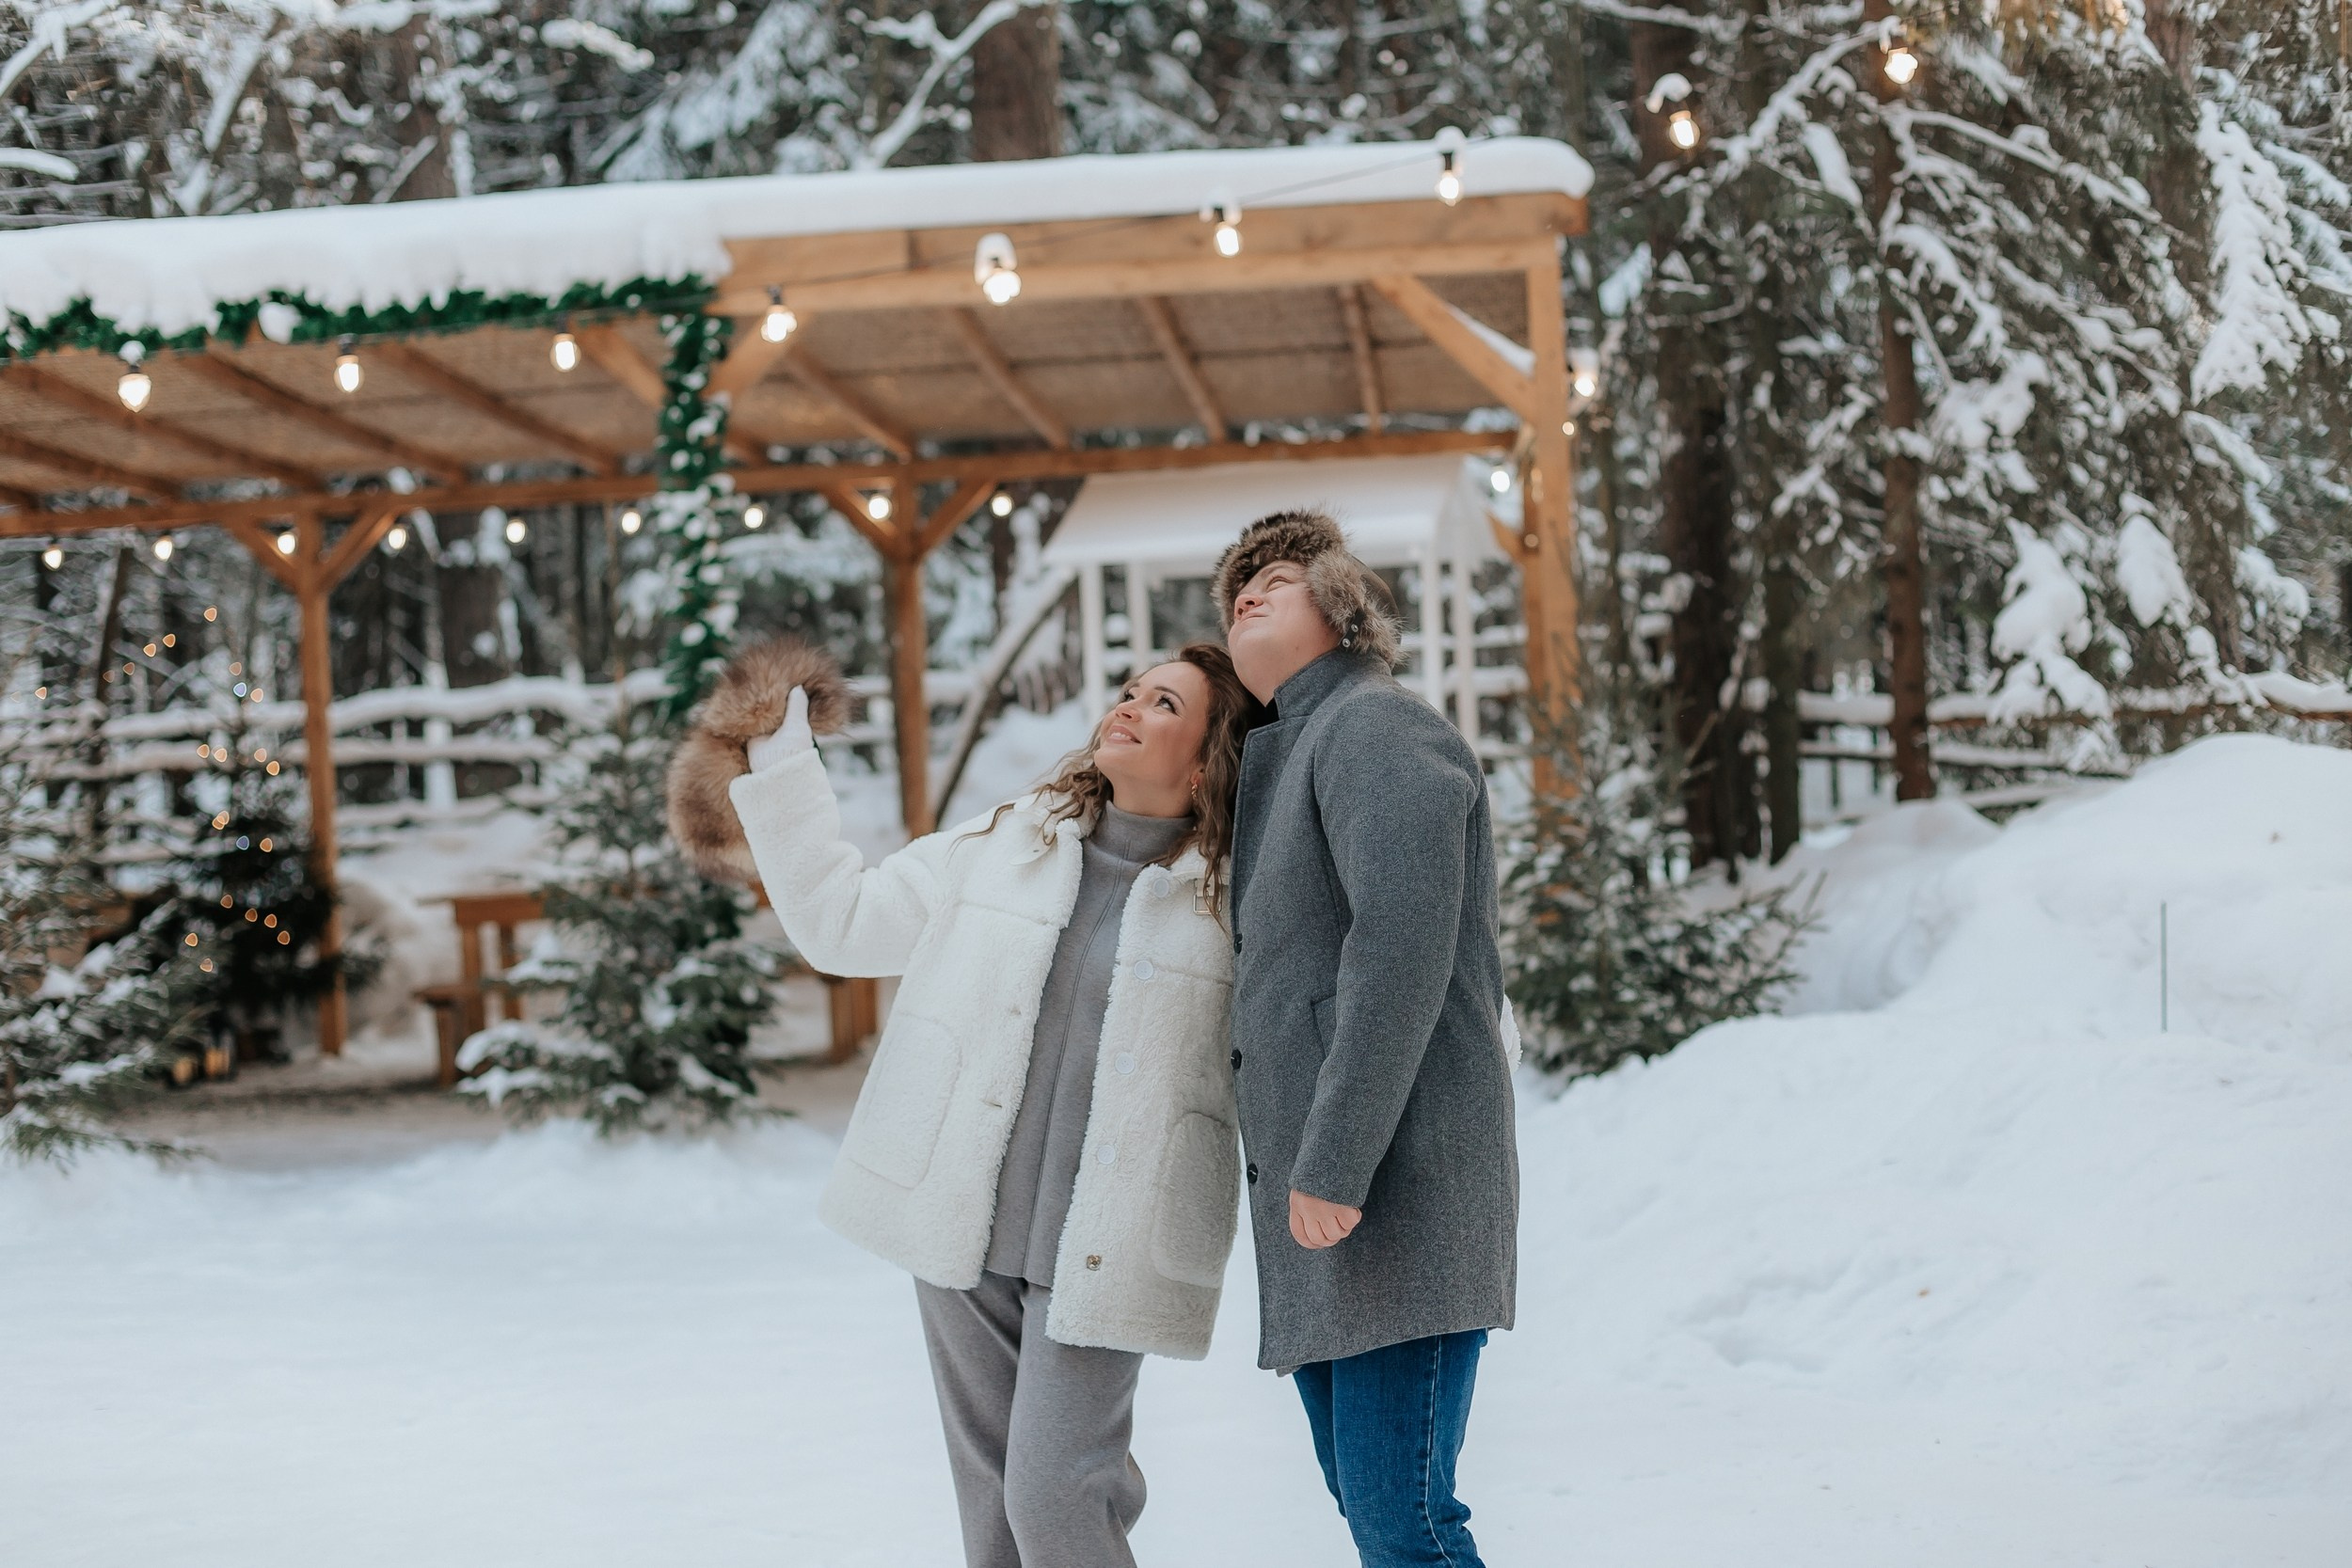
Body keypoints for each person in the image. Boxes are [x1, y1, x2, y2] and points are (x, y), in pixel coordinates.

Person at [727, 644, 1262, 1568]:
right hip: (960, 1225)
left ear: (1208, 760)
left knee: (1054, 1497)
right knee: (994, 1520)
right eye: (1129, 689)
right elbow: (841, 923)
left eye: (1164, 703)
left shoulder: (1235, 895)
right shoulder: (1013, 839)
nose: (1128, 705)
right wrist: (782, 765)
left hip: (1108, 1243)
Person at [1212, 509, 1518, 1568]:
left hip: (1392, 1182)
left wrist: (1335, 1160)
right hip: (1335, 1201)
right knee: (1374, 1502)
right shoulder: (1302, 740)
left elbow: (1399, 948)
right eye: (1240, 584)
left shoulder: (1374, 724)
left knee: (1403, 1518)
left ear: (1342, 605)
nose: (1251, 589)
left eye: (1280, 576)